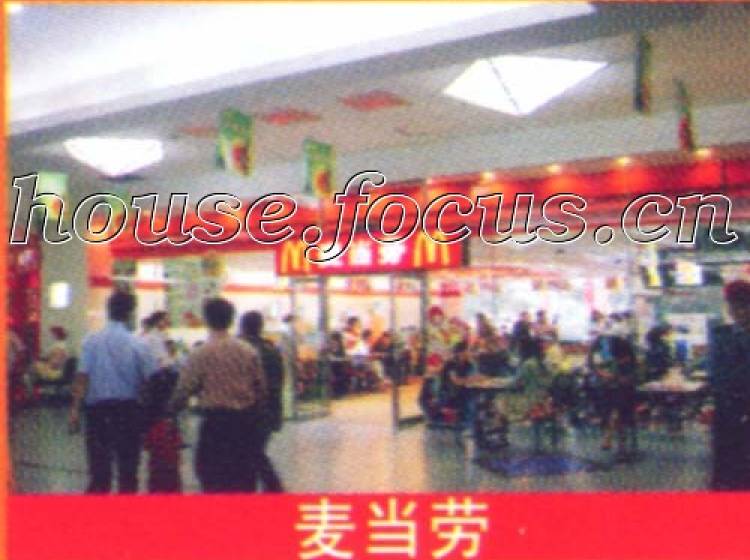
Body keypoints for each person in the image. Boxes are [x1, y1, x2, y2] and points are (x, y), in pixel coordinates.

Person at [169, 298, 267, 493]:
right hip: (244, 424)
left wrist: (171, 410)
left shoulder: (200, 353)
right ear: (231, 320)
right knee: (244, 480)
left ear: (207, 320)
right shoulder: (248, 351)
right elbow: (261, 389)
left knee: (213, 479)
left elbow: (184, 390)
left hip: (215, 426)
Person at [69, 291, 158, 494]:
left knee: (99, 471)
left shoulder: (91, 341)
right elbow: (151, 380)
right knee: (128, 471)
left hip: (97, 412)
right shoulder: (139, 344)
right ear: (130, 313)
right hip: (128, 412)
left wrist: (74, 410)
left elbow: (82, 377)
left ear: (108, 310)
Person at [708, 280, 750, 490]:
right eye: (734, 306)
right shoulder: (721, 336)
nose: (738, 311)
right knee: (727, 474)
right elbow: (717, 376)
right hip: (728, 414)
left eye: (744, 306)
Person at [239, 311, 284, 493]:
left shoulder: (242, 350)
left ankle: (272, 488)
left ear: (243, 327)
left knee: (251, 452)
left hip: (248, 409)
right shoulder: (271, 350)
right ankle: (270, 488)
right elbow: (279, 380)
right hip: (269, 409)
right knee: (254, 450)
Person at [142, 370, 183, 493]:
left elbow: (147, 446)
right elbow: (179, 445)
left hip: (156, 469)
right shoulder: (173, 429)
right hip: (172, 469)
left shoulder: (152, 429)